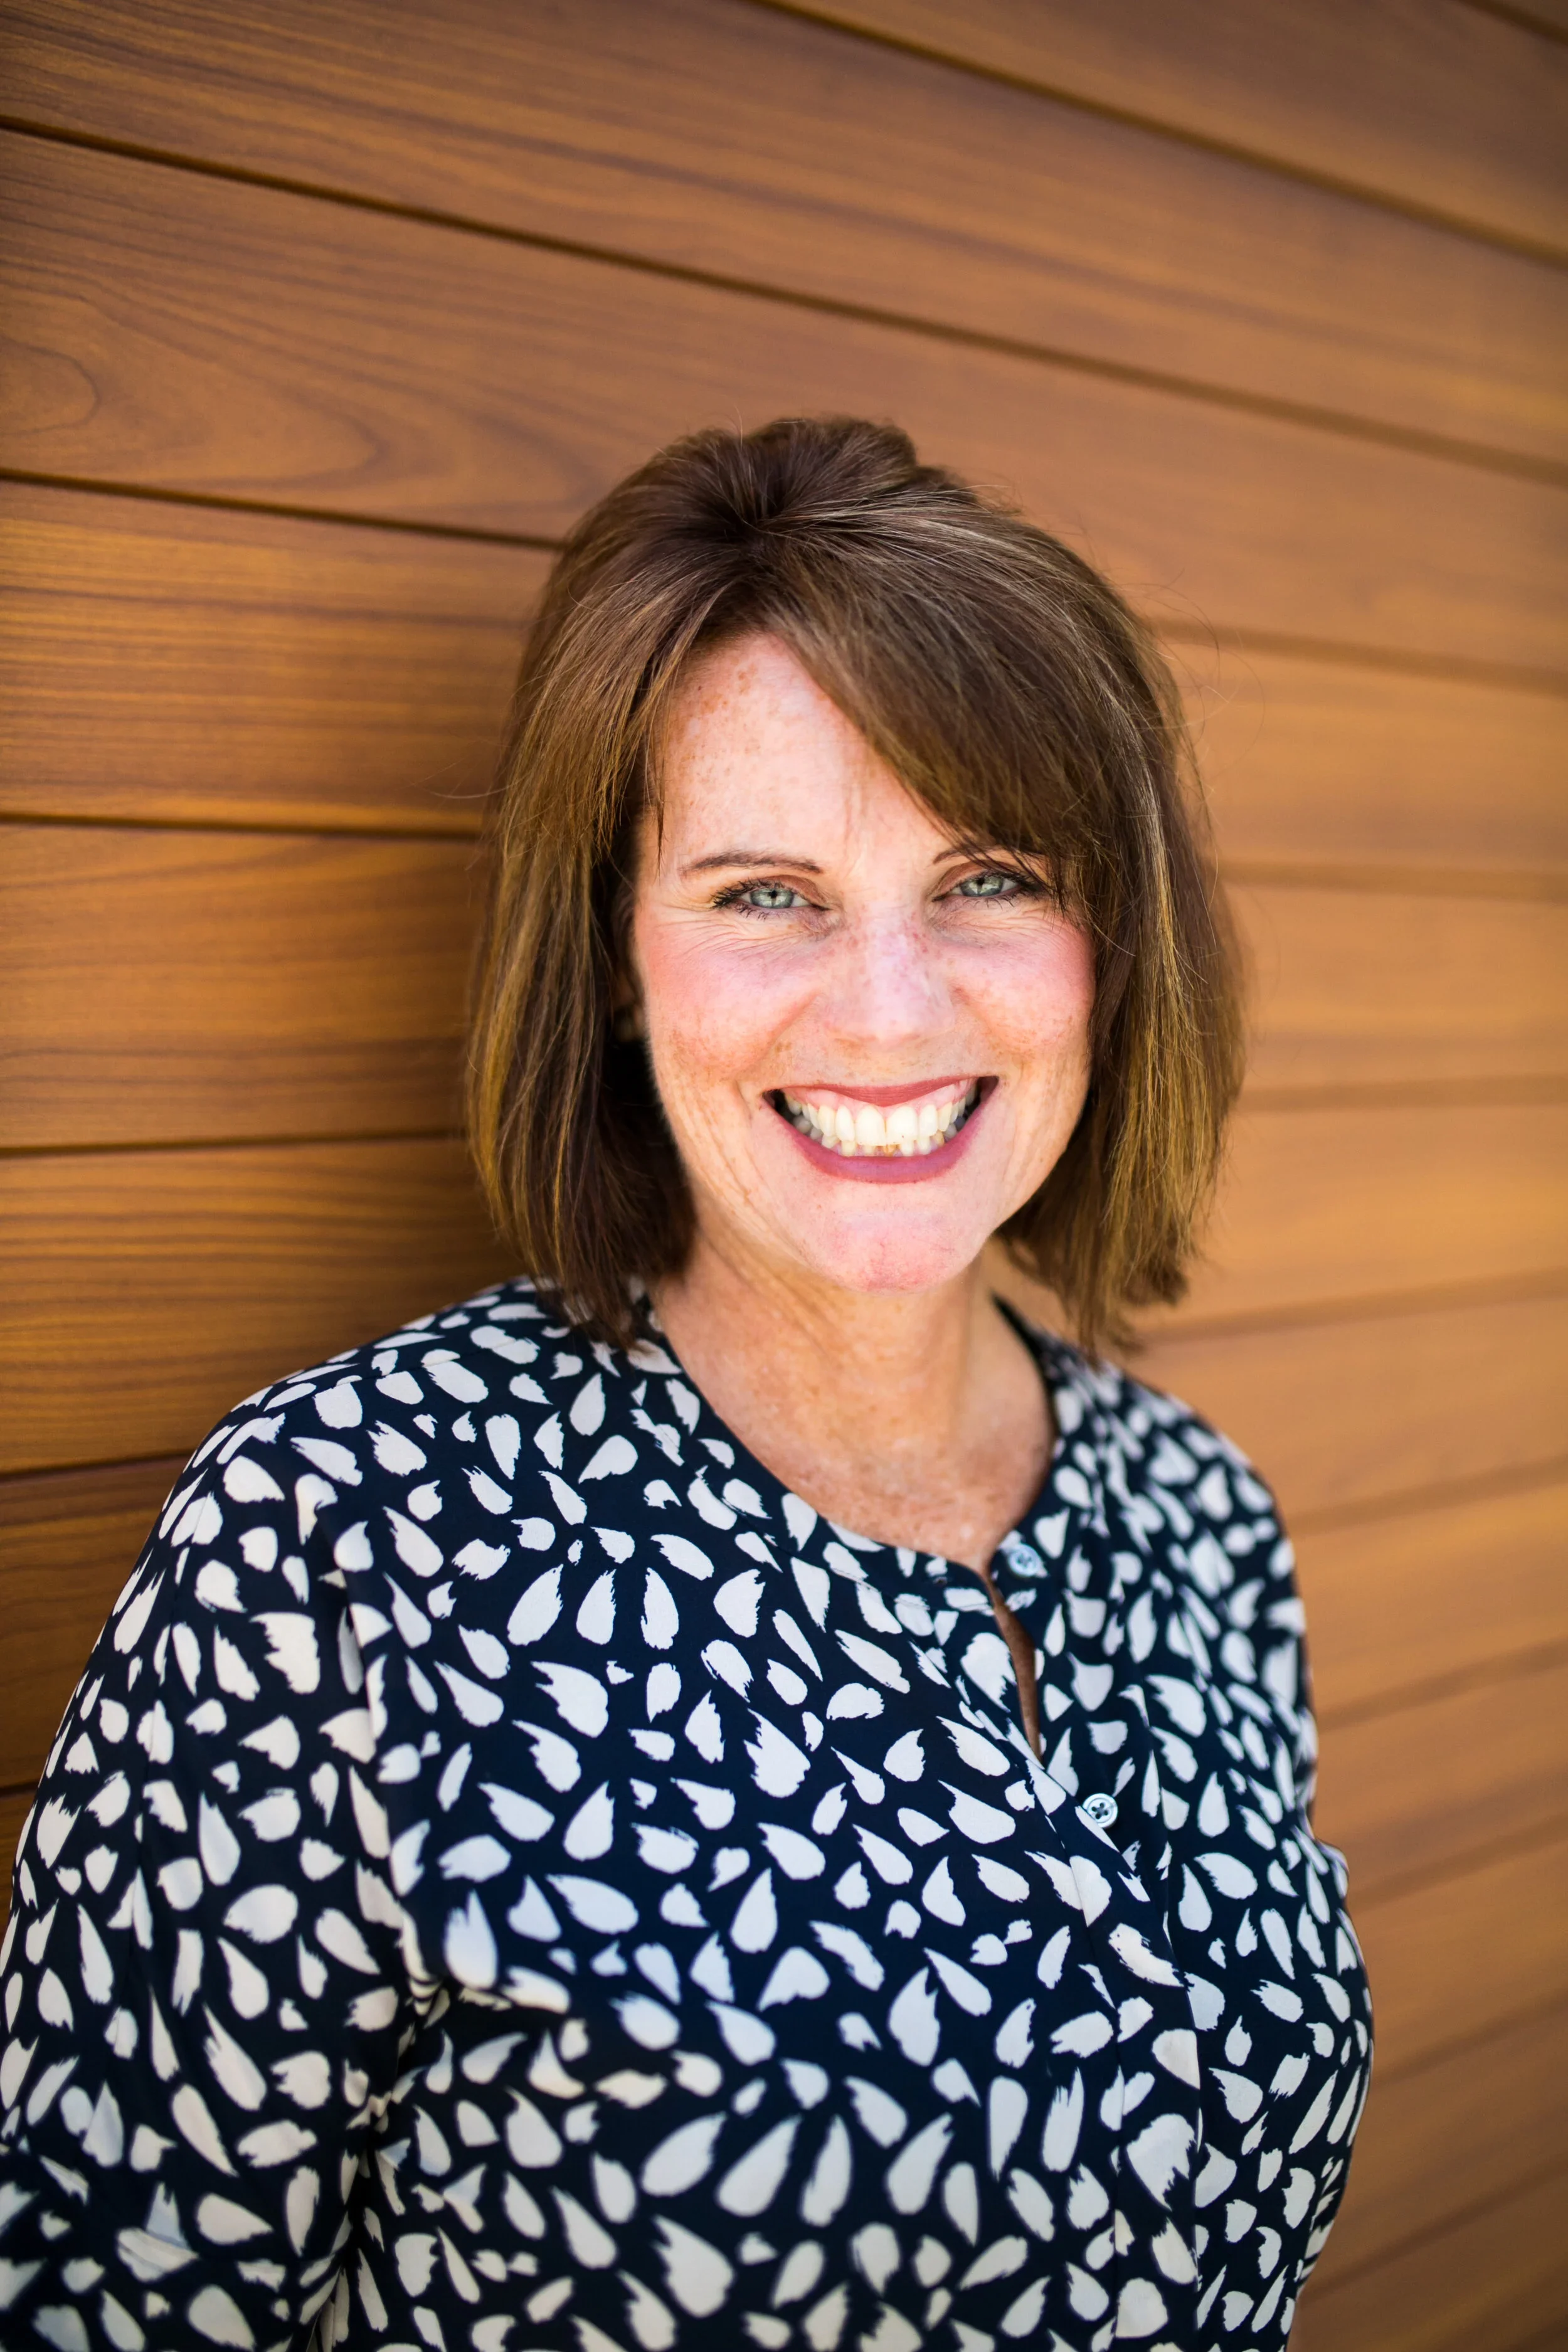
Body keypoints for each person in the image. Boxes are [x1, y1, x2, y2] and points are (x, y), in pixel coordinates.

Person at [0, 418, 1369, 2352]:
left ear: (1109, 941)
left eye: (983, 874)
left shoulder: (1195, 1512)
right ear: (621, 962)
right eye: (762, 891)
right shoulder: (345, 1537)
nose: (887, 1008)